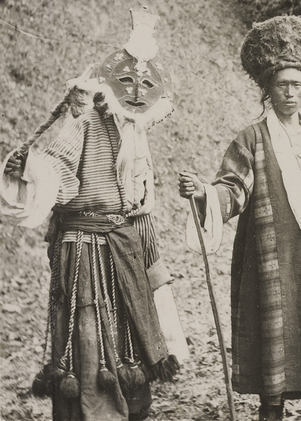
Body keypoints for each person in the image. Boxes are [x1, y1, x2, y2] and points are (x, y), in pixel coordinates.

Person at [0, 7, 181, 421]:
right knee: (88, 337)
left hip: (126, 242)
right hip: (84, 249)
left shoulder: (133, 128)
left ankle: (132, 410)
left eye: (146, 84)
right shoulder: (84, 118)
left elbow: (139, 193)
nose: (137, 94)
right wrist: (28, 166)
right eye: (129, 83)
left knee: (130, 332)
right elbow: (55, 170)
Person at [178, 16, 301, 421]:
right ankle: (270, 408)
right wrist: (205, 192)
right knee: (275, 338)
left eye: (297, 85)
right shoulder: (251, 138)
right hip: (270, 254)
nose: (290, 93)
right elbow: (232, 187)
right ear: (268, 90)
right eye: (281, 85)